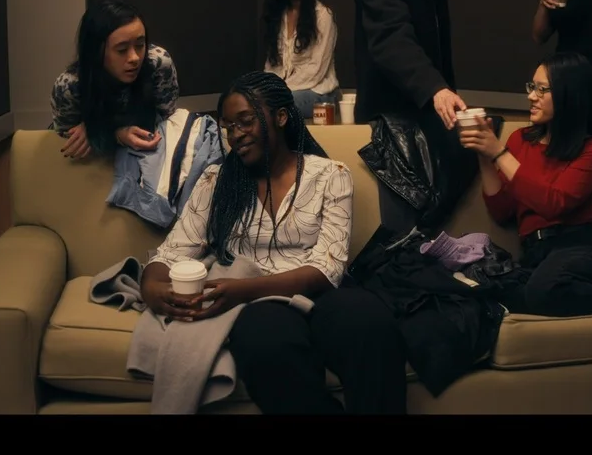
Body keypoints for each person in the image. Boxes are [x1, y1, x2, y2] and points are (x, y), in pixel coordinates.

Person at [139, 71, 407, 415]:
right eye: (228, 126)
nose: (235, 135)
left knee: (371, 324)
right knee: (266, 343)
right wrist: (152, 286)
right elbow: (173, 252)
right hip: (259, 306)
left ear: (281, 117)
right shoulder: (216, 181)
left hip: (322, 292)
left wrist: (241, 289)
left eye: (245, 121)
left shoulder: (330, 175)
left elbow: (328, 269)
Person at [458, 51, 592, 318]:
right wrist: (485, 155)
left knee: (543, 288)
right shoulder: (520, 140)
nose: (531, 96)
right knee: (481, 289)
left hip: (581, 247)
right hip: (536, 254)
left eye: (541, 89)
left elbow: (554, 203)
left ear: (568, 94)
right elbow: (502, 211)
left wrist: (500, 154)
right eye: (531, 87)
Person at [352, 0, 465, 233]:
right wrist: (435, 87)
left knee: (462, 159)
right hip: (390, 108)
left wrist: (443, 87)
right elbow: (390, 39)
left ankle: (431, 250)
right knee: (400, 206)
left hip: (425, 97)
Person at [50, 0, 179, 160]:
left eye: (140, 45)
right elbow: (69, 141)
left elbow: (168, 122)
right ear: (96, 52)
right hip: (93, 163)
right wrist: (111, 134)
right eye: (122, 50)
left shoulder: (158, 63)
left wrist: (100, 130)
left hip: (147, 154)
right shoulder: (69, 86)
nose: (134, 58)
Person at [262, 0, 341, 118]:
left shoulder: (323, 15)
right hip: (284, 93)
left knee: (273, 107)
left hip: (319, 93)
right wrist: (267, 90)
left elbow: (316, 69)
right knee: (253, 101)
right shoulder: (278, 18)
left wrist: (279, 92)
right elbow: (271, 66)